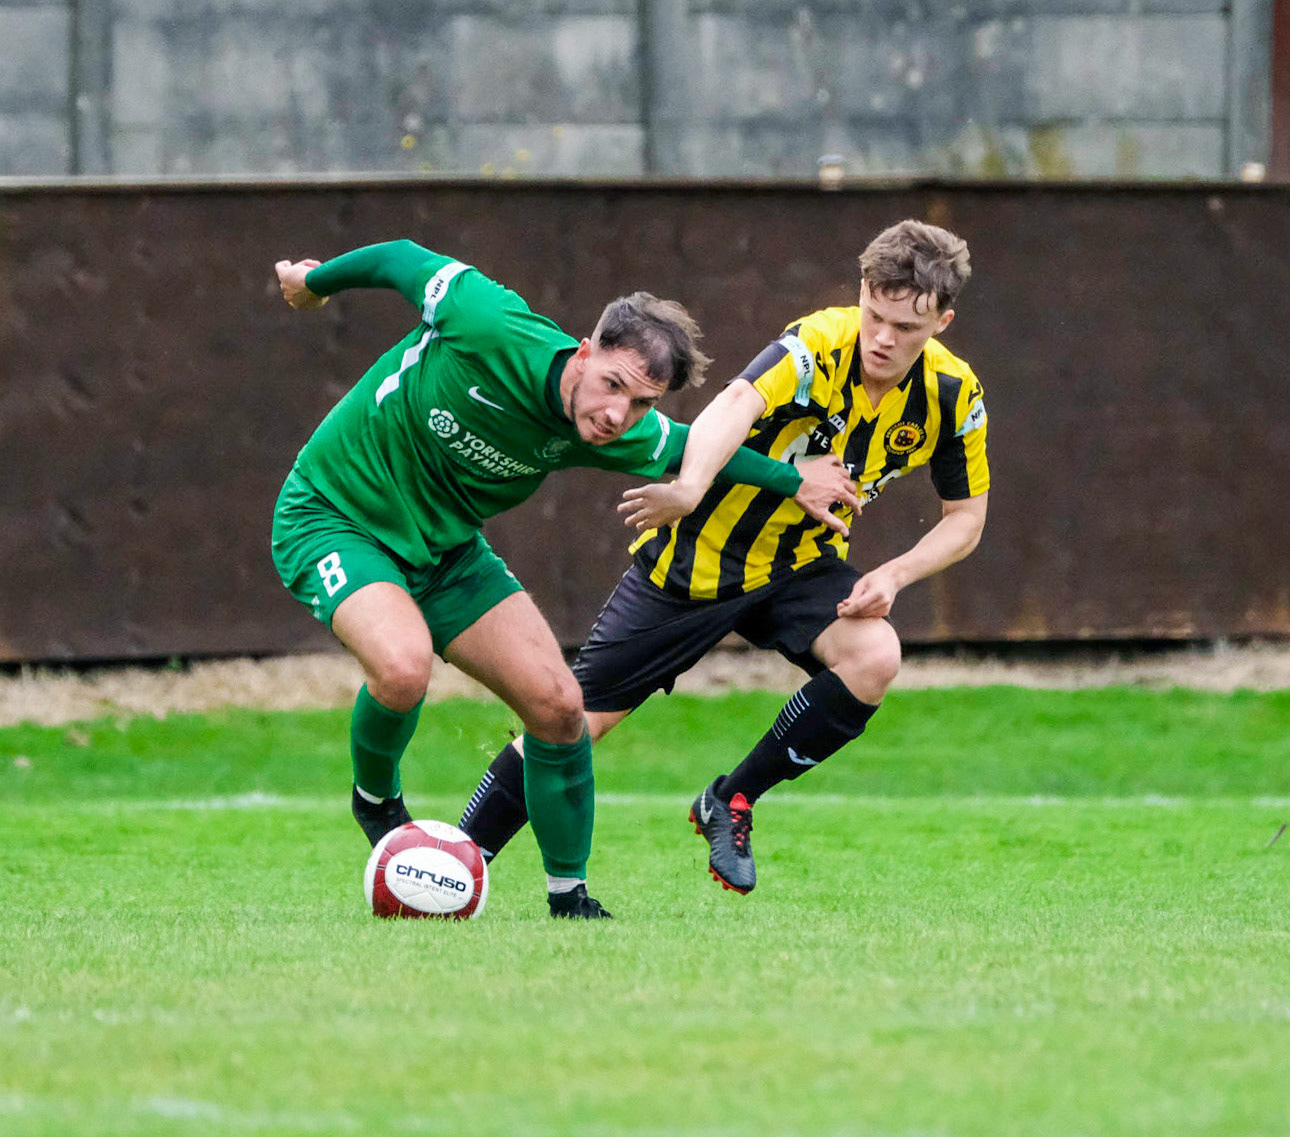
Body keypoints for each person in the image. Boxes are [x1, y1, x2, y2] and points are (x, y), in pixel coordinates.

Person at [269, 239, 860, 918]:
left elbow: (699, 450)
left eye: (641, 404)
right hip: (335, 515)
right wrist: (316, 283)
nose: (617, 416)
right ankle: (377, 805)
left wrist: (794, 479)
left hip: (447, 552)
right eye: (613, 384)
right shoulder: (490, 324)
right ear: (584, 351)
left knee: (558, 708)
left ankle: (568, 896)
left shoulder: (615, 432)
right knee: (403, 667)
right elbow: (401, 259)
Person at [458, 219, 989, 894]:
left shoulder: (953, 394)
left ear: (942, 320)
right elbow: (734, 402)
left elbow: (966, 520)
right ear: (861, 291)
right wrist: (687, 488)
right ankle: (461, 857)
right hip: (695, 561)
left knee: (875, 654)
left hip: (800, 564)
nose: (883, 338)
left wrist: (892, 573)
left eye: (906, 328)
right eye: (875, 315)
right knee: (572, 721)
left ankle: (730, 800)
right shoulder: (818, 344)